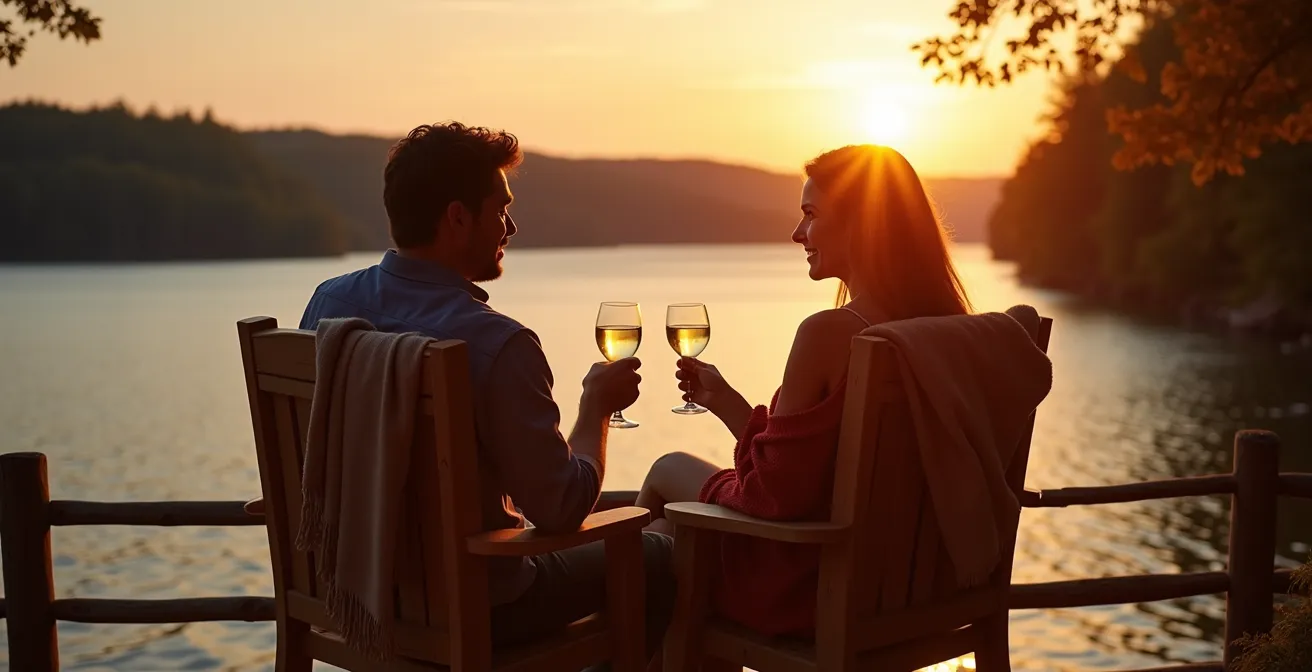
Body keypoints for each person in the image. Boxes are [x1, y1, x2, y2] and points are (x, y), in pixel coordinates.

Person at [298, 122, 674, 660]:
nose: (510, 225)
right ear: (457, 217)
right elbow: (560, 509)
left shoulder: (327, 306)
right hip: (479, 606)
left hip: (356, 591)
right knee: (657, 557)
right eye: (499, 209)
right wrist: (595, 405)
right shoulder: (497, 343)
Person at [633, 144, 973, 636]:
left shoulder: (832, 332)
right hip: (921, 593)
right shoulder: (952, 331)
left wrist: (713, 492)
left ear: (862, 222)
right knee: (674, 539)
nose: (797, 234)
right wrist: (730, 405)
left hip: (817, 593)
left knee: (668, 487)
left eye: (810, 215)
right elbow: (809, 477)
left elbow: (775, 498)